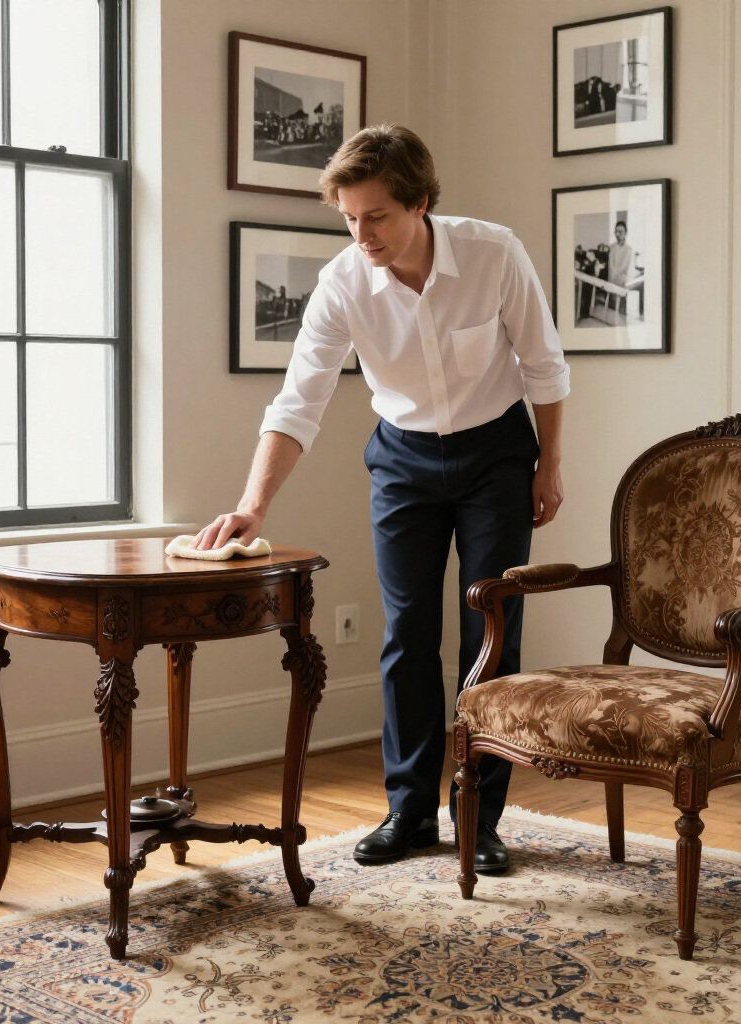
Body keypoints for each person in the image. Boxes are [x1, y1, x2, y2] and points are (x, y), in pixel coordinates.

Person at [193, 125, 570, 874]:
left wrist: (548, 467)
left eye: (376, 217)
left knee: (490, 632)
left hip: (496, 454)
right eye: (348, 217)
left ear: (420, 203)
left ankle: (478, 816)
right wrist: (252, 506)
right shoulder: (342, 283)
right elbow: (298, 403)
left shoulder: (494, 254)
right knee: (406, 637)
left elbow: (545, 368)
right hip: (401, 459)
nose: (360, 233)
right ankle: (409, 811)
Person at [607, 220, 635, 318]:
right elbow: (611, 263)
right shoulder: (612, 247)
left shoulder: (628, 249)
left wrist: (616, 273)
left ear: (625, 233)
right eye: (616, 231)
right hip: (611, 279)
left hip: (622, 281)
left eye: (621, 232)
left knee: (621, 310)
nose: (618, 234)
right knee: (611, 308)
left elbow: (624, 266)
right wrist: (613, 275)